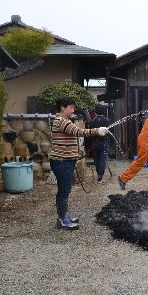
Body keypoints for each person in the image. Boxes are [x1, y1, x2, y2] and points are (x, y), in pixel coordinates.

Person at [50, 98, 109, 230]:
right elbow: (78, 132)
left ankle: (64, 215)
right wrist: (96, 131)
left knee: (65, 190)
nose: (73, 110)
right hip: (62, 162)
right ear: (62, 108)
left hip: (65, 161)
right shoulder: (61, 121)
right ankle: (62, 220)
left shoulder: (63, 120)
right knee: (64, 191)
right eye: (70, 107)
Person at [88, 104, 112, 183]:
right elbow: (110, 133)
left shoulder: (91, 121)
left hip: (95, 142)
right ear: (104, 112)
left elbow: (89, 133)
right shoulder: (107, 121)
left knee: (97, 159)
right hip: (104, 142)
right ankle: (100, 177)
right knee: (103, 159)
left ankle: (99, 175)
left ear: (95, 112)